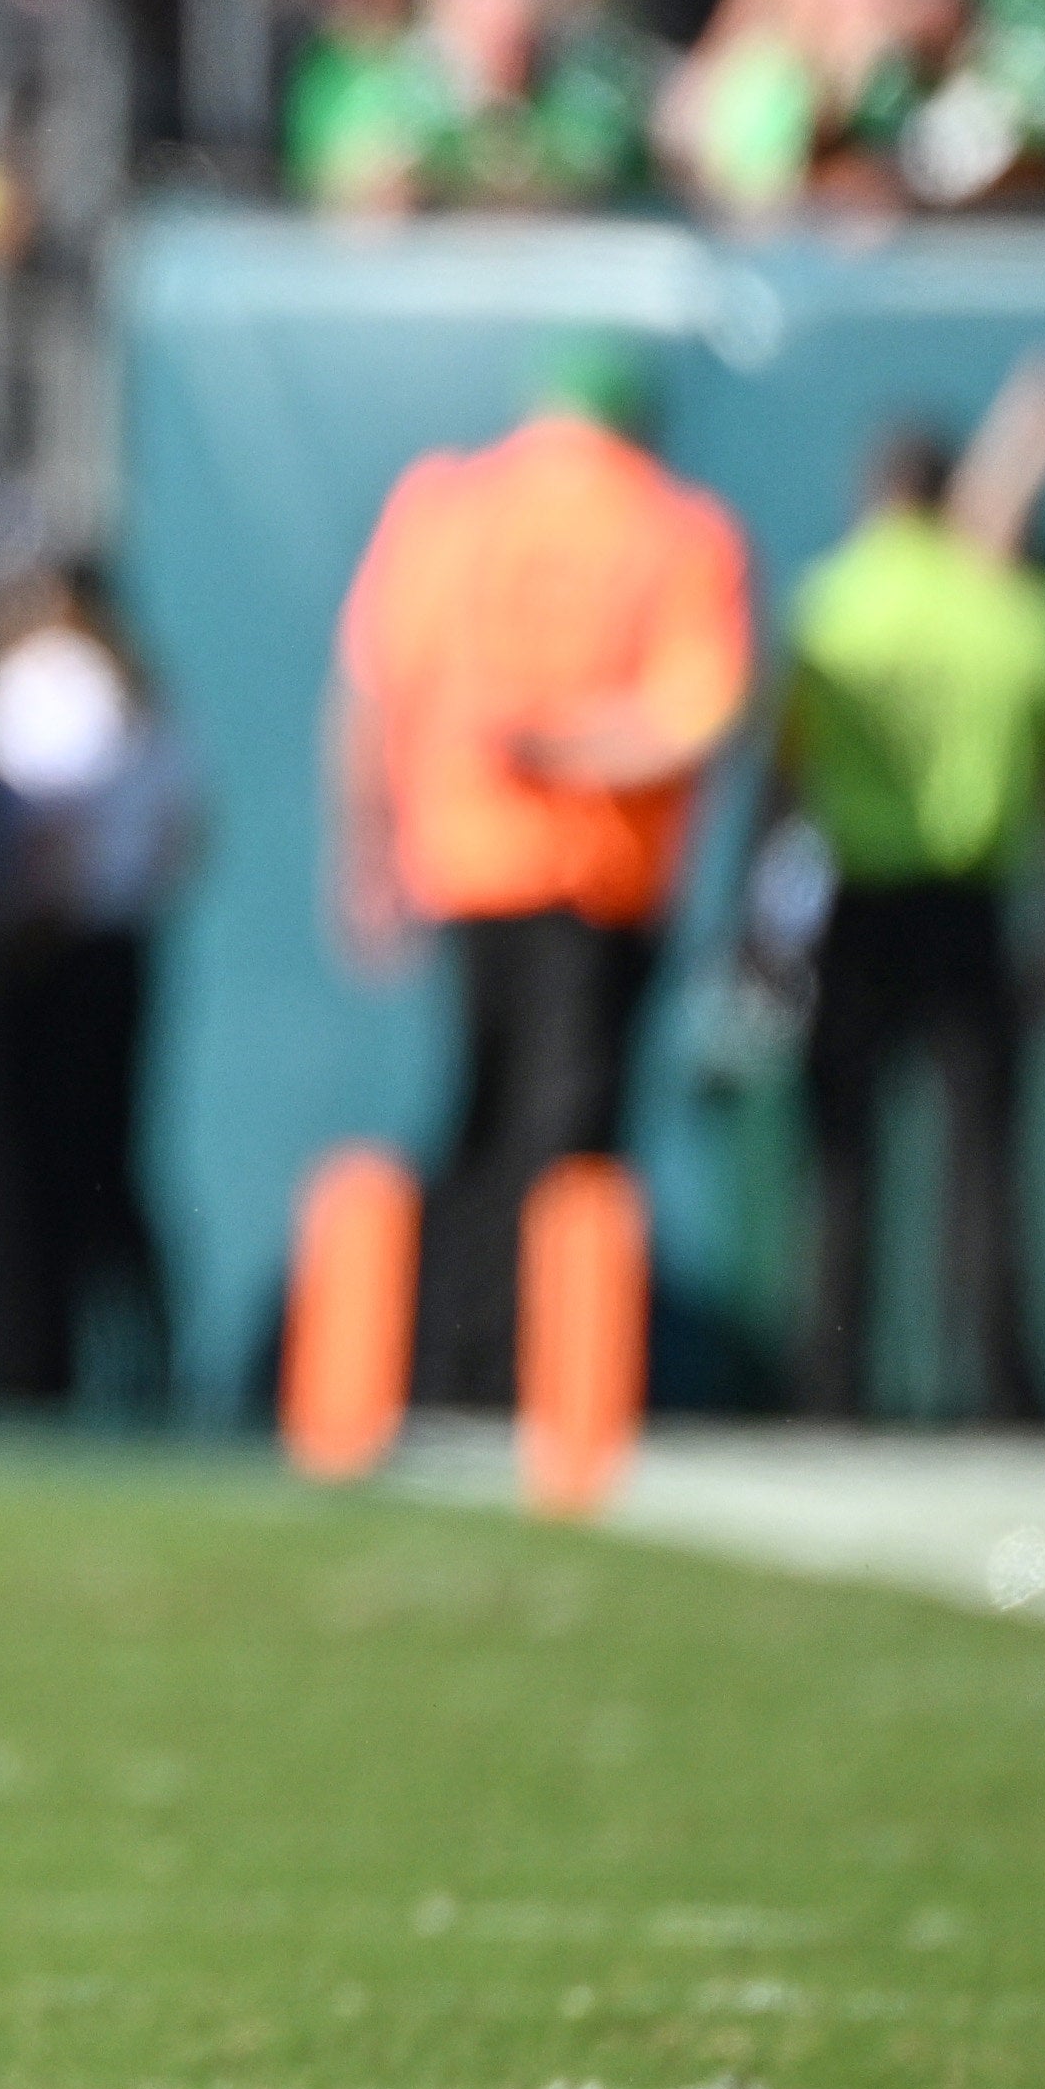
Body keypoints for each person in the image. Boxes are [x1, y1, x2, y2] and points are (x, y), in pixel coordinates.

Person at [330, 343, 752, 1404]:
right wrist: (569, 751)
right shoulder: (674, 524)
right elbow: (693, 717)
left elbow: (365, 696)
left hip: (463, 868)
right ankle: (534, 1367)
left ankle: (442, 1361)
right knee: (564, 1131)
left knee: (476, 1117)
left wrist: (364, 852)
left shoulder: (445, 508)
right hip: (591, 878)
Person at [772, 423, 1045, 1421]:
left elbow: (785, 778)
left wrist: (756, 913)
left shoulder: (831, 603)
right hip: (971, 905)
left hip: (860, 902)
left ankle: (828, 1382)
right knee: (983, 1164)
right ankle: (1002, 1384)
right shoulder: (1013, 613)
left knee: (841, 1160)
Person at [0, 566, 199, 1407]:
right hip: (118, 949)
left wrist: (24, 931)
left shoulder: (47, 680)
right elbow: (182, 836)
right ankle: (145, 1362)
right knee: (104, 1167)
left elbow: (50, 831)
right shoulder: (137, 692)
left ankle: (36, 1373)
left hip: (47, 954)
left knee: (40, 1174)